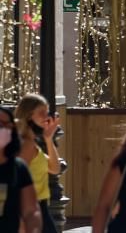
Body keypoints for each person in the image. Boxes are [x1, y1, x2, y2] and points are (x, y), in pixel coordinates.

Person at [14, 94, 60, 233]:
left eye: (47, 112)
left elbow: (54, 168)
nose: (46, 117)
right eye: (42, 113)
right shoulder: (26, 145)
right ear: (28, 115)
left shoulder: (32, 144)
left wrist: (48, 139)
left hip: (40, 208)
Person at [0, 105, 41, 232]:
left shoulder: (19, 168)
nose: (4, 129)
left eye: (8, 125)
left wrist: (33, 228)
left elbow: (30, 211)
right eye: (0, 124)